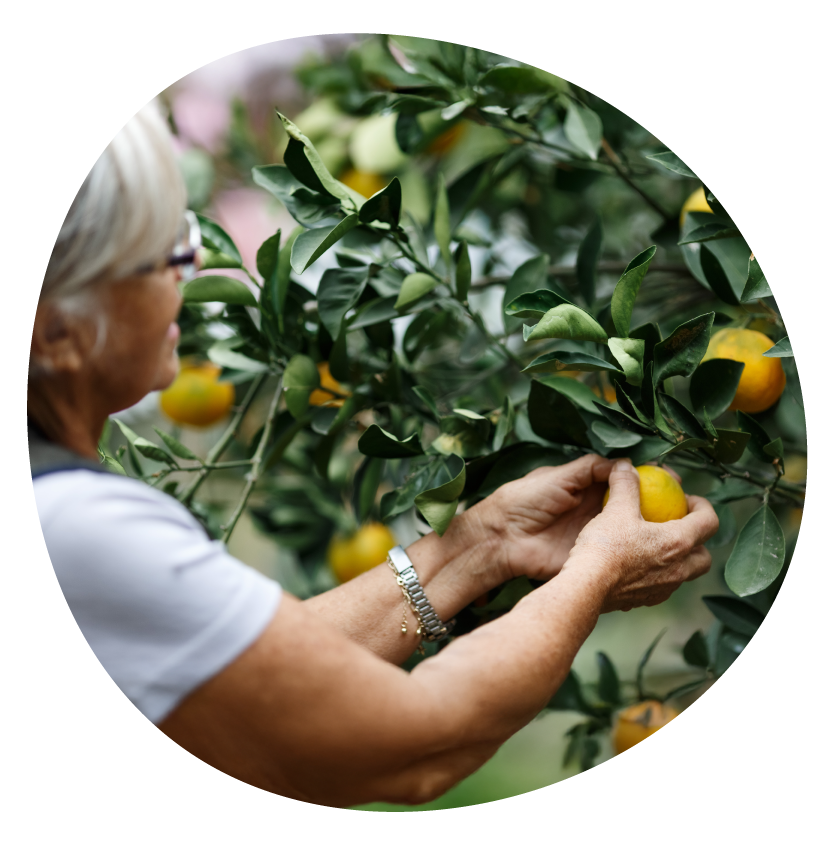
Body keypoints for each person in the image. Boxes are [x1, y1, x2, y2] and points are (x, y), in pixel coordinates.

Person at [29, 99, 719, 808]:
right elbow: (414, 747)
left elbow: (273, 678)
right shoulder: (82, 527)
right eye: (163, 254)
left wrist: (479, 547)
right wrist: (597, 572)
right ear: (56, 333)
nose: (195, 262)